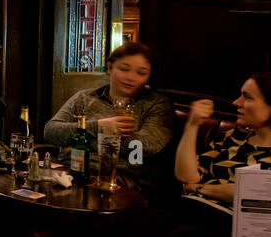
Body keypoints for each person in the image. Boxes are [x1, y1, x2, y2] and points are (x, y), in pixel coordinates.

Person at [175, 71, 271, 213]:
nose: (236, 102)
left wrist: (197, 188)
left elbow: (256, 195)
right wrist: (192, 125)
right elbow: (186, 176)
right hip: (194, 209)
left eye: (247, 97)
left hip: (245, 228)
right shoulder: (234, 136)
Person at [43, 42, 174, 192]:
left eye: (141, 73)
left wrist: (80, 142)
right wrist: (99, 126)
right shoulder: (84, 98)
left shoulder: (156, 104)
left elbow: (143, 148)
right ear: (110, 68)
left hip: (122, 179)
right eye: (124, 69)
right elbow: (51, 132)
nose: (131, 77)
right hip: (69, 170)